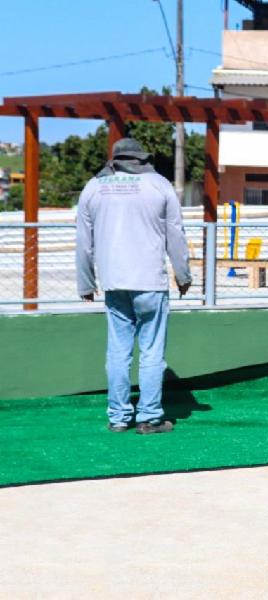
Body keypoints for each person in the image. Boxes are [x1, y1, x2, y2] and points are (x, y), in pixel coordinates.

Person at [76, 138, 192, 435]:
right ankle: (150, 417)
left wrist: (86, 282)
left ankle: (118, 417)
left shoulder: (94, 187)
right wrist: (183, 274)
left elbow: (84, 242)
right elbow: (175, 234)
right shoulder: (159, 184)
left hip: (114, 282)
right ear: (142, 157)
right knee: (152, 352)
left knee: (118, 350)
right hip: (150, 281)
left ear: (114, 158)